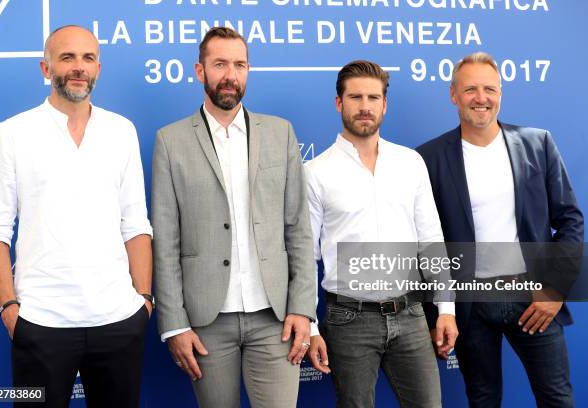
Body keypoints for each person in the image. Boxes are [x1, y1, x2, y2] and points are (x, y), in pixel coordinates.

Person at [0, 25, 153, 407]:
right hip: (40, 323)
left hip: (118, 321)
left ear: (98, 68)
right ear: (46, 68)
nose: (79, 67)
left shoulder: (121, 131)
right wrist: (10, 308)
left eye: (88, 58)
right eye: (67, 57)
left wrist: (143, 301)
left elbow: (136, 224)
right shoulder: (12, 134)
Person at [152, 27, 316, 408]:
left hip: (275, 318)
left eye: (239, 65)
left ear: (248, 70)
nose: (230, 75)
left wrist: (302, 308)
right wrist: (174, 323)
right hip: (207, 321)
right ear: (199, 71)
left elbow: (298, 229)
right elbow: (166, 239)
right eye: (220, 64)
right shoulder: (170, 140)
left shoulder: (280, 133)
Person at [416, 51, 583, 407]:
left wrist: (554, 289)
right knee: (483, 399)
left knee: (558, 399)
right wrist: (438, 315)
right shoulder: (428, 158)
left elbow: (570, 221)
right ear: (453, 95)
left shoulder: (538, 143)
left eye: (489, 89)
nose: (481, 98)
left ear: (501, 93)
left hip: (533, 296)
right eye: (470, 89)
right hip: (470, 304)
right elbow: (426, 245)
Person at [305, 60, 457, 408]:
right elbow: (303, 259)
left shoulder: (410, 163)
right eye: (355, 97)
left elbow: (431, 242)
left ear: (384, 105)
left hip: (411, 315)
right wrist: (311, 327)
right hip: (348, 320)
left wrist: (445, 309)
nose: (365, 106)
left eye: (373, 97)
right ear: (338, 103)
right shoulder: (315, 173)